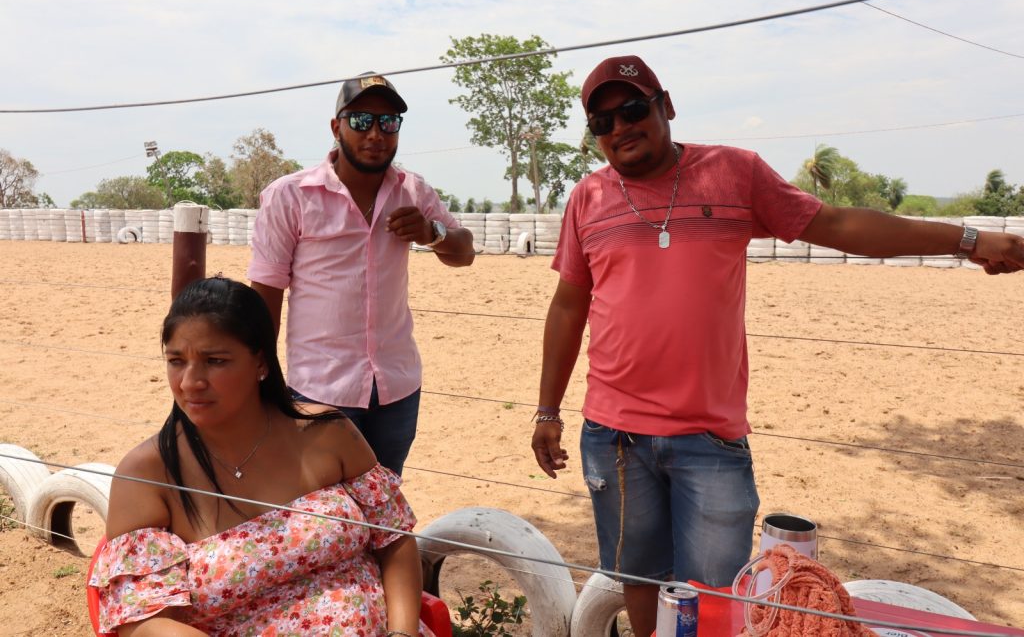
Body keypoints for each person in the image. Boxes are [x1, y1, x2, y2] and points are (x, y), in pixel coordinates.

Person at [530, 55, 1024, 637]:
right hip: (613, 437)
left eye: (633, 109)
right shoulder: (587, 197)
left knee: (714, 597)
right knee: (639, 578)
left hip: (709, 439)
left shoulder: (734, 174)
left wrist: (968, 240)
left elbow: (839, 226)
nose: (619, 128)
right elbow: (568, 304)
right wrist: (545, 410)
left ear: (666, 106)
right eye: (602, 122)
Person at [89, 277, 431, 637]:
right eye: (176, 361)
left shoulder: (328, 432)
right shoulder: (147, 475)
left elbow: (393, 540)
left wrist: (402, 633)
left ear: (261, 363)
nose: (190, 382)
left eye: (215, 361)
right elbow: (144, 622)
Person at [248, 71, 475, 477]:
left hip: (397, 389)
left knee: (384, 507)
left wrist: (431, 232)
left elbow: (464, 251)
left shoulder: (413, 192)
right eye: (361, 121)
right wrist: (260, 381)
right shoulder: (290, 196)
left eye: (388, 122)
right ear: (336, 127)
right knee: (324, 511)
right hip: (319, 391)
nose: (376, 133)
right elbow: (266, 292)